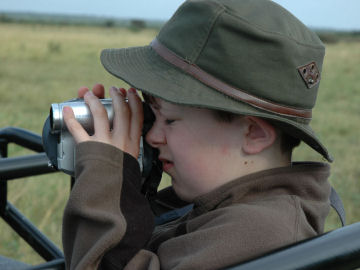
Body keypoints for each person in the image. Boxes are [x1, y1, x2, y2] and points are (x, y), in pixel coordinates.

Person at [61, 0, 335, 269]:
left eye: (169, 119)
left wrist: (105, 176)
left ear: (254, 134)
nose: (154, 136)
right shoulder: (227, 203)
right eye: (152, 115)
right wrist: (126, 184)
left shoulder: (260, 236)